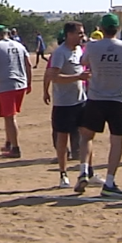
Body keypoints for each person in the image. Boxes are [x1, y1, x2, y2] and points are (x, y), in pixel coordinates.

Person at [76, 14, 122, 197]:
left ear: (101, 29)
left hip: (96, 97)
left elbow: (83, 62)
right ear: (118, 28)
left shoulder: (92, 46)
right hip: (118, 99)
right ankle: (110, 181)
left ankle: (83, 170)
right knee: (116, 141)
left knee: (87, 136)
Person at [46, 22, 89, 188]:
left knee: (86, 137)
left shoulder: (80, 50)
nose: (82, 36)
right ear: (69, 34)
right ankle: (63, 174)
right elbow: (54, 77)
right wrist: (78, 77)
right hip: (64, 103)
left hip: (81, 100)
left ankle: (87, 172)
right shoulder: (59, 53)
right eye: (79, 33)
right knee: (62, 139)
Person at [0, 25, 32, 159]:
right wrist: (29, 82)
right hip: (21, 83)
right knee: (9, 115)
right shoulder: (19, 45)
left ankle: (15, 148)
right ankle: (9, 142)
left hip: (7, 84)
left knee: (10, 117)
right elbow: (28, 64)